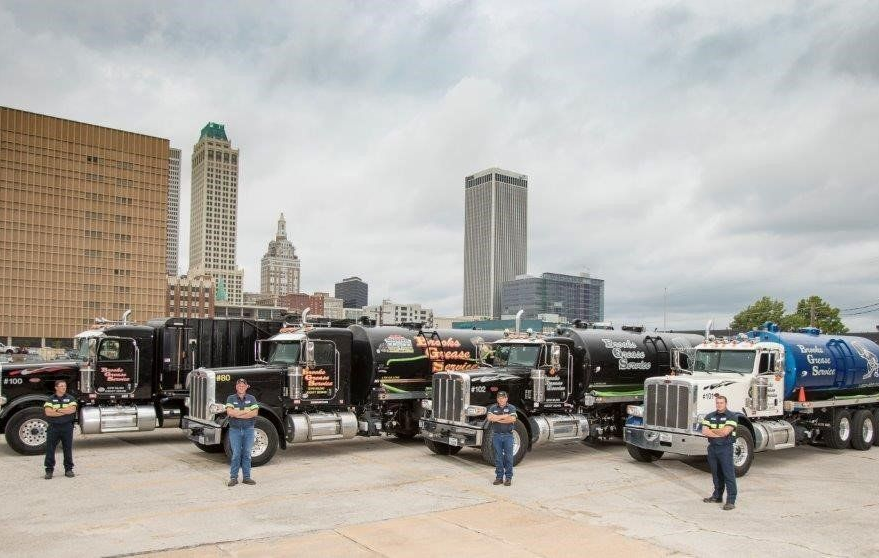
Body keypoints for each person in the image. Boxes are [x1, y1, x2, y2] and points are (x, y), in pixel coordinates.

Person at [701, 394, 738, 510]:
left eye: (721, 403)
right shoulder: (709, 416)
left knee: (728, 475)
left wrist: (713, 431)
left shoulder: (732, 416)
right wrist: (718, 433)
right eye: (717, 403)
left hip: (725, 448)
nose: (719, 405)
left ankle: (731, 501)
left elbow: (725, 432)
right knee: (716, 474)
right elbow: (704, 432)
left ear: (726, 404)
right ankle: (717, 496)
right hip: (712, 448)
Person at [225, 378, 259, 486]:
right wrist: (246, 411)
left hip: (249, 429)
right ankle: (233, 478)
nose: (241, 387)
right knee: (236, 454)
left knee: (247, 454)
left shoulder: (252, 398)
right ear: (236, 387)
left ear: (246, 387)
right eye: (239, 385)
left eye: (243, 385)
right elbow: (230, 412)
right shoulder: (230, 398)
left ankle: (246, 478)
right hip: (235, 430)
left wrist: (237, 413)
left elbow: (254, 413)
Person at [43, 379, 77, 479]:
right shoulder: (50, 399)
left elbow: (72, 410)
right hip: (53, 427)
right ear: (56, 387)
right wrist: (63, 411)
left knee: (67, 449)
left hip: (67, 427)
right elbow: (48, 412)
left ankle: (69, 469)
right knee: (50, 449)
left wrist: (56, 410)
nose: (64, 388)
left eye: (65, 386)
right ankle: (49, 471)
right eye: (61, 386)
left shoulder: (70, 398)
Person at [486, 390, 517, 486]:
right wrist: (504, 417)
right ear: (497, 399)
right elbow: (490, 418)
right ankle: (499, 477)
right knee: (498, 457)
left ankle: (508, 478)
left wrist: (497, 418)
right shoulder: (493, 407)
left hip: (508, 436)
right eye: (499, 398)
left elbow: (512, 419)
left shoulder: (511, 407)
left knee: (508, 458)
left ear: (506, 398)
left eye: (503, 398)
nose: (501, 399)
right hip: (497, 436)